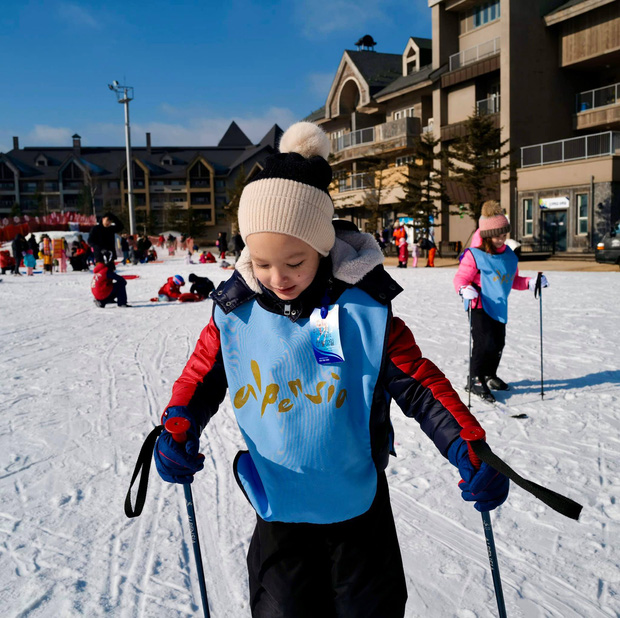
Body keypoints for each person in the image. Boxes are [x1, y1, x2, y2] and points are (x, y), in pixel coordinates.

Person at [152, 122, 509, 618]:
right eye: (262, 263)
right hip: (279, 498)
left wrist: (465, 444)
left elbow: (421, 385)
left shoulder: (361, 311)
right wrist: (178, 423)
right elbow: (202, 376)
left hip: (357, 501)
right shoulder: (238, 313)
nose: (278, 279)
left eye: (294, 262)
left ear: (322, 247)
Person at [453, 200, 548, 402]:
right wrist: (464, 289)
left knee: (497, 343)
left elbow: (513, 280)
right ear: (487, 235)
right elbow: (461, 278)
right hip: (479, 305)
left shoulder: (508, 256)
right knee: (483, 342)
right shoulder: (475, 255)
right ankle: (476, 380)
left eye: (504, 235)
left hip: (499, 306)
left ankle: (489, 374)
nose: (501, 239)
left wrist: (531, 282)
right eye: (497, 235)